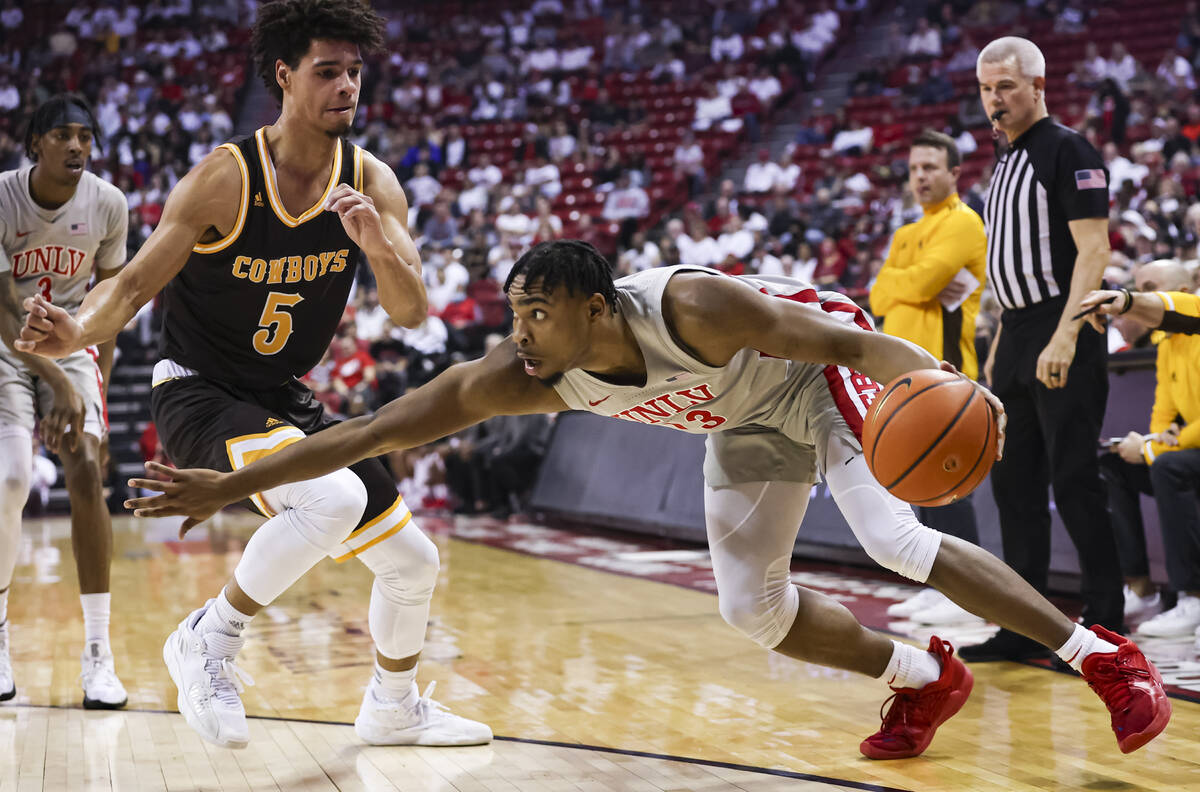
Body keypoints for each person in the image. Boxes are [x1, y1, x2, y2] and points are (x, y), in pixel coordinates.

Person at [117, 242, 1170, 759]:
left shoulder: (693, 306)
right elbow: (372, 431)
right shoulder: (516, 374)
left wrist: (937, 385)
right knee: (750, 610)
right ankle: (923, 677)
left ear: (592, 305)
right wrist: (231, 481)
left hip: (825, 382)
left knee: (891, 538)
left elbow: (849, 341)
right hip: (745, 425)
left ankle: (1102, 657)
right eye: (514, 315)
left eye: (537, 314)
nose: (521, 333)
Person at [16, 0, 490, 751]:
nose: (345, 88)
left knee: (412, 561)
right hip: (197, 389)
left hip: (283, 397)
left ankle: (393, 705)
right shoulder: (226, 179)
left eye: (355, 73)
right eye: (327, 71)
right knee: (330, 498)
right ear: (284, 75)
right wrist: (77, 329)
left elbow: (409, 310)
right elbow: (134, 286)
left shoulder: (372, 182)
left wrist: (375, 245)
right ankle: (208, 638)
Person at [968, 37, 1125, 662]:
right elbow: (1009, 274)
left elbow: (1095, 249)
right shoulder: (1005, 162)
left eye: (1005, 86)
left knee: (1075, 475)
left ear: (1037, 86)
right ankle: (1025, 623)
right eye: (985, 89)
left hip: (1066, 324)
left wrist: (1065, 333)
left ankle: (1107, 616)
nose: (994, 100)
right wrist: (999, 352)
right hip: (1015, 332)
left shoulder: (1068, 149)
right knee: (1014, 484)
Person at [0, 95, 128, 709]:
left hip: (74, 343)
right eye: (62, 136)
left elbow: (110, 305)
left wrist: (88, 381)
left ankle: (99, 653)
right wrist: (56, 383)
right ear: (35, 145)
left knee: (85, 472)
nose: (76, 146)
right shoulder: (2, 196)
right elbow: (3, 313)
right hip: (6, 347)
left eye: (85, 136)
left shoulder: (108, 204)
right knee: (11, 479)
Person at [869, 129, 987, 627]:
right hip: (902, 372)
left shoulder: (963, 222)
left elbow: (917, 283)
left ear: (954, 172)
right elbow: (876, 298)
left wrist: (901, 283)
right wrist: (900, 285)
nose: (920, 177)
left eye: (931, 168)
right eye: (915, 168)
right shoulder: (904, 233)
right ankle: (941, 586)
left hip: (947, 371)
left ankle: (969, 597)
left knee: (951, 487)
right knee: (920, 487)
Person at [1094, 261, 1200, 637]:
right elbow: (1163, 412)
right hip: (1189, 450)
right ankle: (1141, 587)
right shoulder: (1167, 342)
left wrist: (1155, 449)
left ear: (1183, 296)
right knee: (1115, 464)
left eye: (1148, 289)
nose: (1137, 300)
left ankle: (1191, 596)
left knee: (1168, 467)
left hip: (1189, 452)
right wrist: (1153, 443)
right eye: (1134, 289)